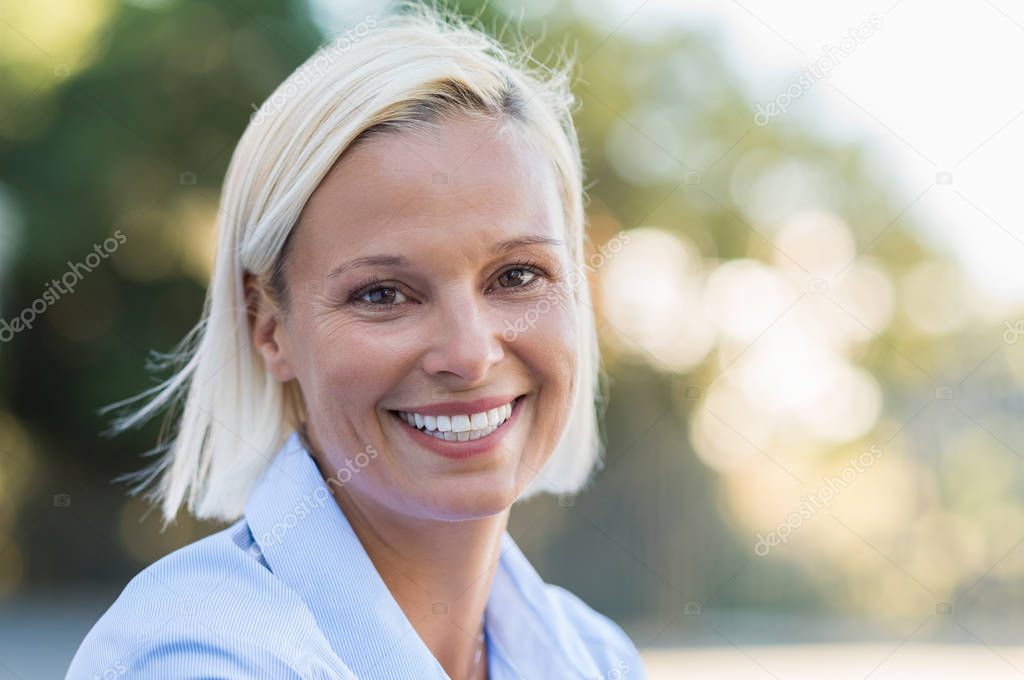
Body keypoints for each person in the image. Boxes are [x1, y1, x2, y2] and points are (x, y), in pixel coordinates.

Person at [67, 4, 646, 679]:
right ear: (268, 326)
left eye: (517, 276)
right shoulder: (199, 657)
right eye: (382, 294)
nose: (469, 354)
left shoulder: (599, 657)